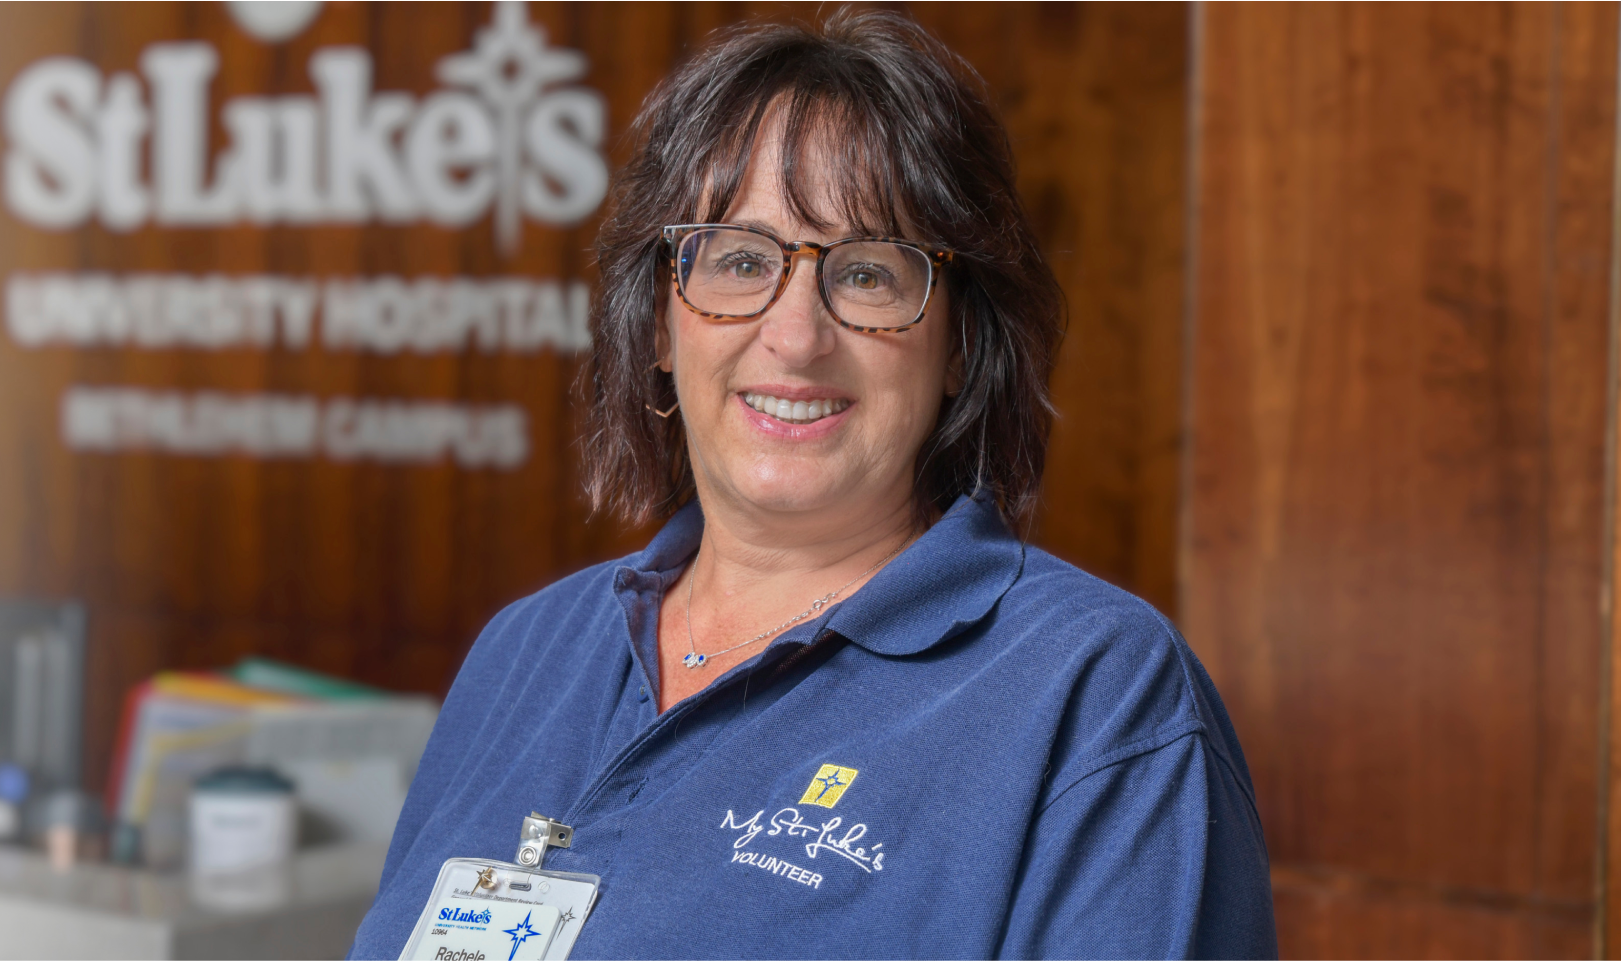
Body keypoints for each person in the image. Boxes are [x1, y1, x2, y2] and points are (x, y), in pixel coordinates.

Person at [347, 10, 1273, 960]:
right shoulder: (526, 650)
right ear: (662, 325)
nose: (796, 336)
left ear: (958, 343)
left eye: (868, 273)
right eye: (741, 260)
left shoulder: (1095, 693)